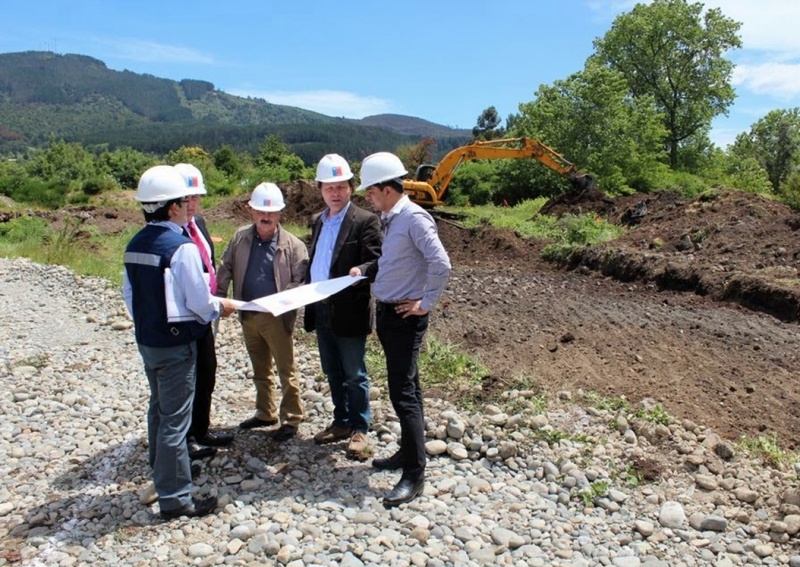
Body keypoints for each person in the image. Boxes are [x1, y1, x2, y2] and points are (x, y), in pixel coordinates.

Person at [122, 165, 236, 519]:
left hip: (150, 341)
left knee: (158, 410)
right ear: (171, 207)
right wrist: (221, 306)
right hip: (177, 345)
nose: (188, 205)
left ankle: (163, 473)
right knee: (175, 420)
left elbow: (130, 296)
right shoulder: (181, 248)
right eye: (183, 200)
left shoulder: (134, 244)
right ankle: (175, 498)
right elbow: (200, 303)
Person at [353, 152, 451, 507]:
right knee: (408, 386)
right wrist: (366, 270)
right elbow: (393, 259)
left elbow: (440, 263)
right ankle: (408, 453)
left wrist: (425, 303)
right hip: (391, 314)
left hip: (405, 318)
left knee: (403, 393)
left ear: (387, 189)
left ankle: (414, 474)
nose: (368, 197)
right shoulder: (391, 218)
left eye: (371, 191)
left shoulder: (414, 219)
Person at [215, 182, 309, 442]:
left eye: (271, 212)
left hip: (276, 318)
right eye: (260, 212)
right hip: (247, 314)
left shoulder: (294, 245)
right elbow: (226, 268)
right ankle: (265, 412)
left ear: (280, 214)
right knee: (260, 368)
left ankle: (291, 418)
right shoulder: (239, 237)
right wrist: (219, 298)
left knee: (286, 369)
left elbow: (300, 281)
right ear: (251, 211)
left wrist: (279, 303)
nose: (265, 217)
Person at [304, 154, 382, 459]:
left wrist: (361, 271)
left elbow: (377, 260)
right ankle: (341, 421)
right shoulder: (317, 221)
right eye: (329, 188)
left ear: (351, 187)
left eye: (341, 187)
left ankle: (360, 426)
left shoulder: (365, 220)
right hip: (321, 306)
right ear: (320, 189)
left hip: (349, 307)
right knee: (332, 370)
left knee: (354, 372)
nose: (335, 193)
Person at [173, 163, 234, 460]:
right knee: (186, 379)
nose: (192, 204)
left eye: (196, 197)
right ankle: (185, 439)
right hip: (184, 318)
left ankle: (201, 430)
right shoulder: (171, 234)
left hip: (204, 316)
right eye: (186, 198)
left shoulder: (200, 225)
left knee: (206, 373)